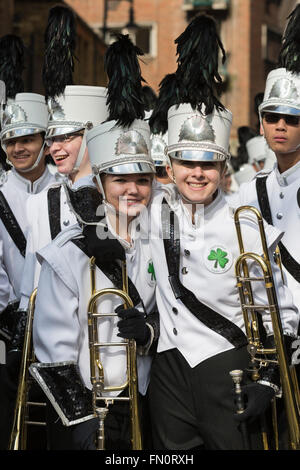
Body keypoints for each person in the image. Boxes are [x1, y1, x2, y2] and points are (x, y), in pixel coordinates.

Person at [146, 14, 299, 450]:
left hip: (227, 364)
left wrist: (269, 379)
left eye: (207, 164)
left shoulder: (245, 220)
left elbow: (279, 308)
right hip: (168, 373)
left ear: (222, 167)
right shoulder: (150, 215)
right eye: (187, 163)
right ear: (170, 167)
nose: (197, 174)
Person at [29, 33, 158, 450]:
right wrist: (83, 423)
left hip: (143, 402)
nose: (133, 190)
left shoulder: (159, 240)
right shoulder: (66, 251)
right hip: (89, 408)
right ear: (100, 183)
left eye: (143, 179)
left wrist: (149, 332)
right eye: (121, 180)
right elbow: (53, 349)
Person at [18, 6, 108, 312]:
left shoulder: (122, 196)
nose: (55, 147)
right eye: (52, 138)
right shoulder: (40, 203)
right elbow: (31, 282)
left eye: (66, 137)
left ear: (90, 135)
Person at [0, 35, 56, 449]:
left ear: (44, 141)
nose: (19, 148)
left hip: (63, 334)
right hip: (9, 333)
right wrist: (10, 320)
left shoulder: (69, 192)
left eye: (28, 139)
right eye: (11, 140)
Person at [236, 5, 300, 322]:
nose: (280, 126)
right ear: (261, 124)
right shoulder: (249, 192)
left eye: (292, 119)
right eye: (272, 117)